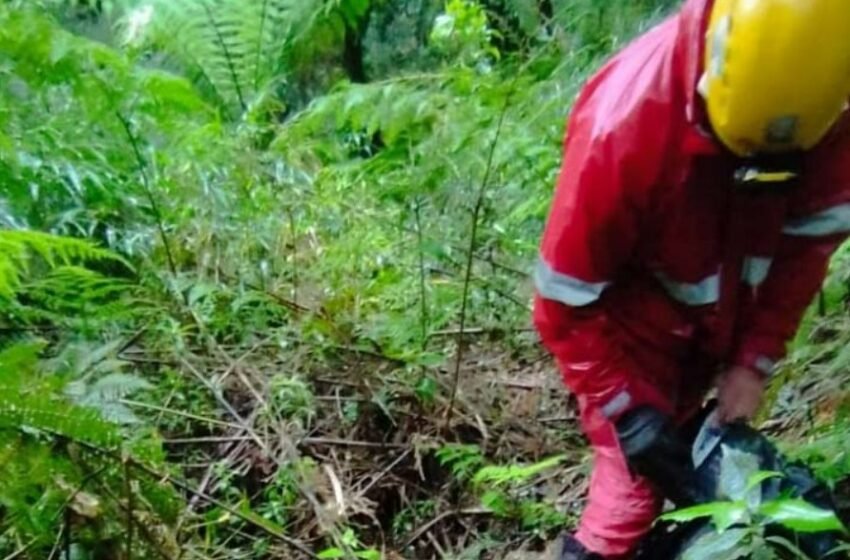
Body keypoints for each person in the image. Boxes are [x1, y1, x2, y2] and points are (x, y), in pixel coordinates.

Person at [532, 0, 850, 558]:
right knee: (632, 488)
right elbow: (563, 299)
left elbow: (804, 251)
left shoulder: (828, 104)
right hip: (633, 323)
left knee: (714, 465)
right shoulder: (622, 129)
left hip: (726, 311)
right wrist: (625, 412)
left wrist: (754, 359)